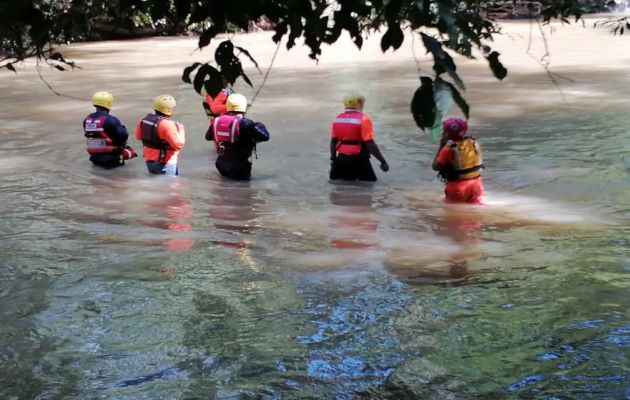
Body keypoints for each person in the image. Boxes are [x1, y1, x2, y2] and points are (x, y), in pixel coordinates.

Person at [205, 93, 270, 180]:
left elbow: (208, 137)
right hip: (239, 166)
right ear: (244, 107)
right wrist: (260, 125)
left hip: (220, 164)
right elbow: (265, 136)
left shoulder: (217, 121)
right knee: (245, 191)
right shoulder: (245, 123)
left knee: (225, 188)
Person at [329, 94, 389, 182]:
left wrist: (333, 160)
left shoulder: (337, 118)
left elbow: (333, 142)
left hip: (340, 160)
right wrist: (382, 161)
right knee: (370, 188)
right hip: (359, 160)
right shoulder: (364, 119)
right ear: (360, 104)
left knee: (338, 189)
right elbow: (370, 143)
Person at [432, 117, 485, 204]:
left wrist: (442, 144)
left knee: (452, 215)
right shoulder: (474, 144)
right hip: (476, 185)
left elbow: (435, 167)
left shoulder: (448, 150)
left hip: (457, 189)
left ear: (446, 133)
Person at [83, 91, 137, 169]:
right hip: (112, 159)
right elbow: (123, 136)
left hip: (94, 158)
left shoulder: (87, 119)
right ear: (109, 104)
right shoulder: (111, 120)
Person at [134, 94, 186, 176]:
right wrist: (181, 129)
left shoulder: (143, 120)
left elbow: (138, 137)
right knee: (169, 187)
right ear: (169, 109)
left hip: (149, 161)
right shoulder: (168, 125)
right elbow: (178, 145)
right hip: (165, 164)